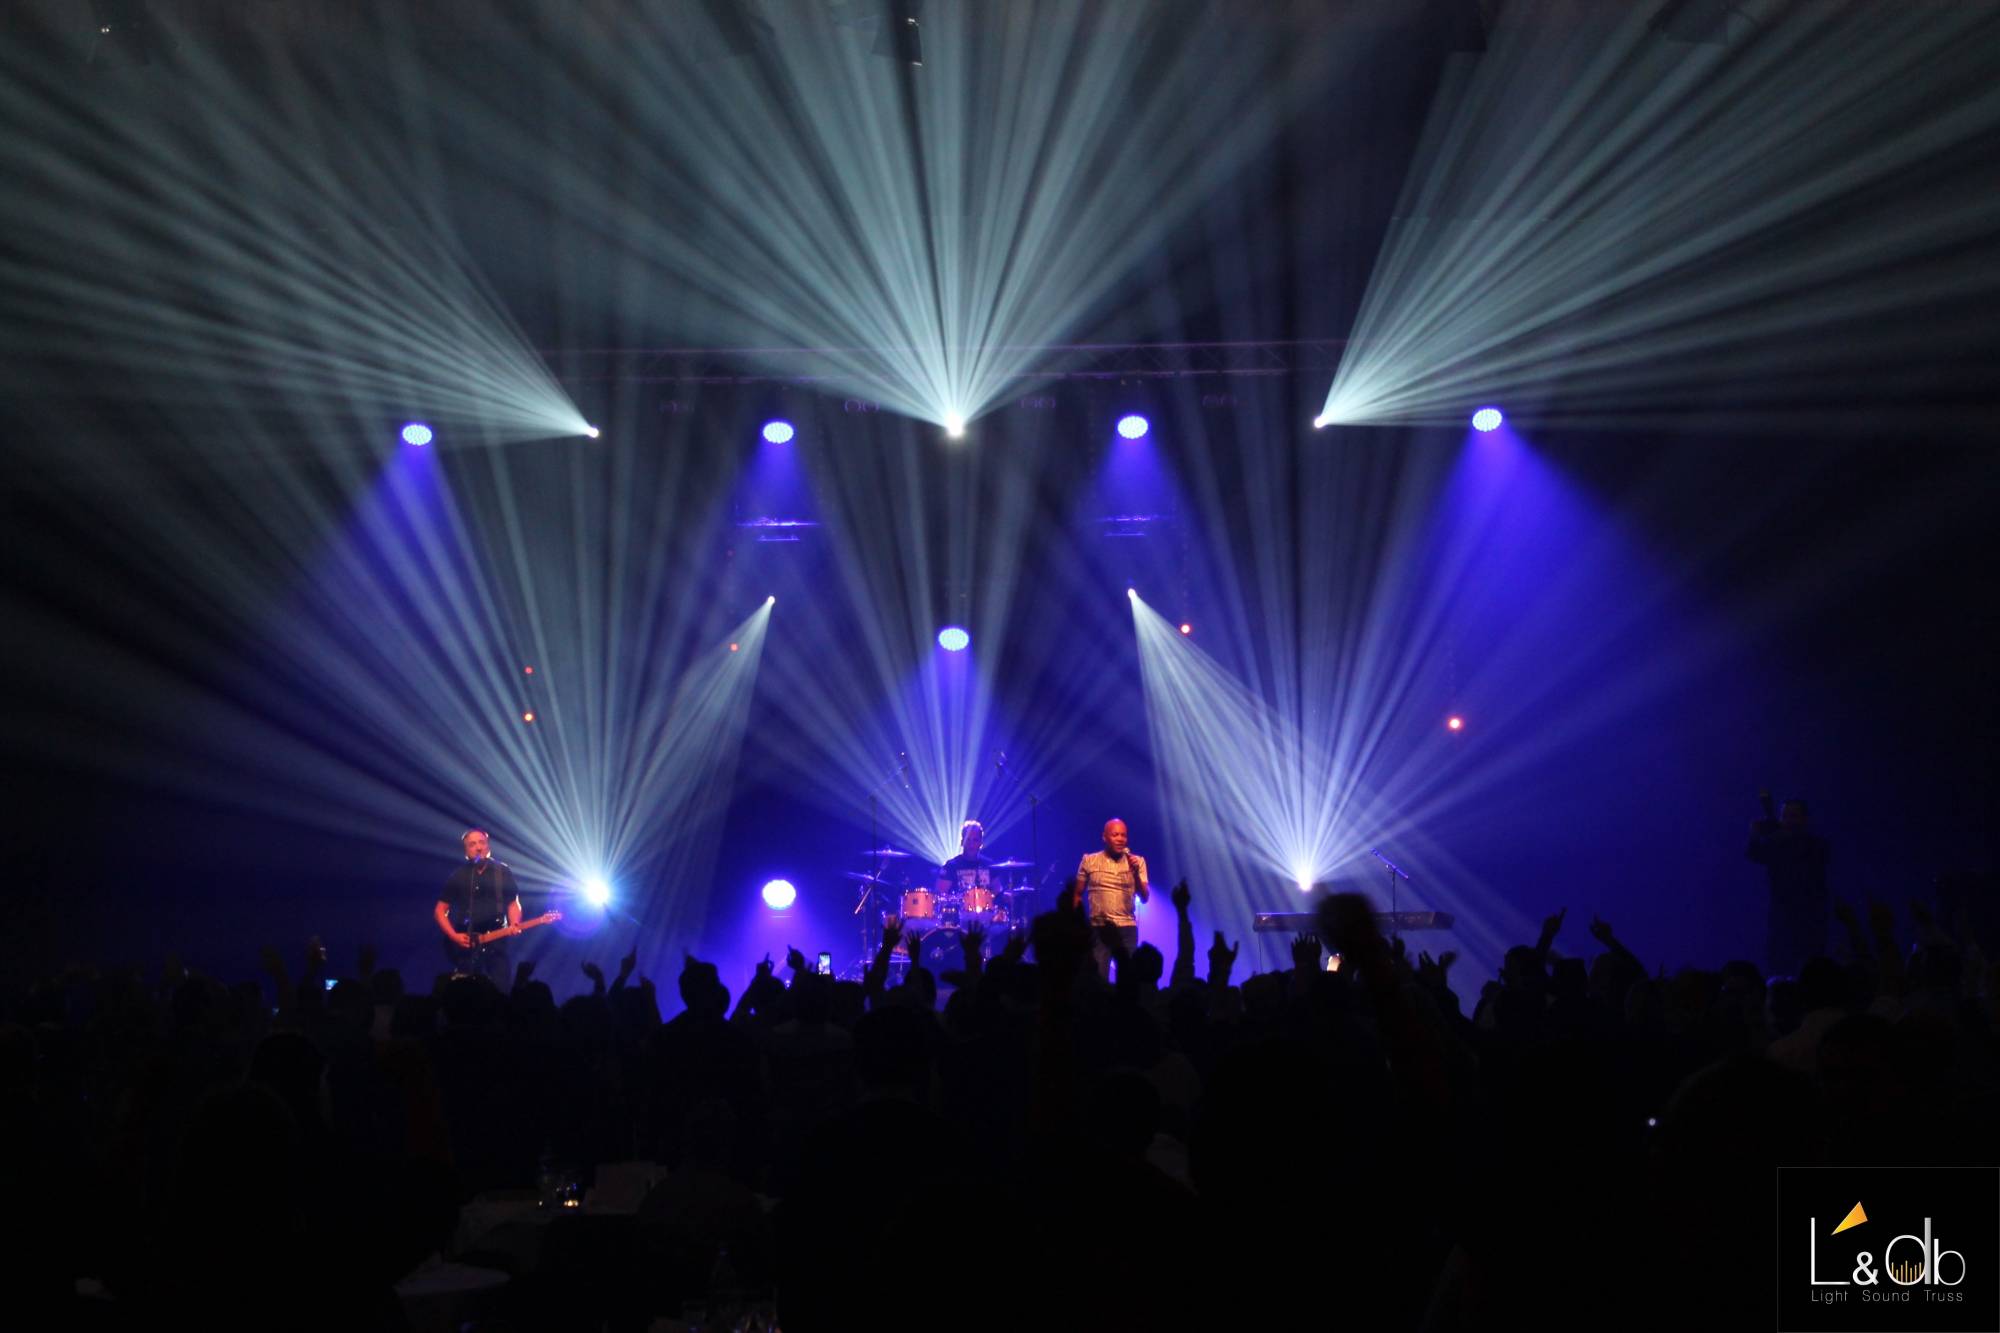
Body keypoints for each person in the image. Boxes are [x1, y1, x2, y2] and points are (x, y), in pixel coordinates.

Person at [1746, 796, 1829, 977]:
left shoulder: (1816, 845)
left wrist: (1775, 836)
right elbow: (1753, 854)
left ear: (1804, 819)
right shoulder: (1777, 843)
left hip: (1810, 917)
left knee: (1810, 966)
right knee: (1779, 964)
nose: (1789, 821)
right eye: (1785, 816)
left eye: (1794, 816)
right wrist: (1755, 833)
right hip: (1781, 916)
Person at [435, 828, 521, 981]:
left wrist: (514, 923)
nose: (478, 847)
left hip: (496, 938)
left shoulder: (502, 871)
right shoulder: (459, 875)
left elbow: (513, 903)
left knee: (500, 987)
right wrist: (454, 936)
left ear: (488, 846)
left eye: (482, 842)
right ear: (466, 851)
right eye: (472, 844)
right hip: (468, 943)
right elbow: (440, 911)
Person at [1076, 818, 1149, 980]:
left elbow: (1145, 898)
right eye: (1115, 835)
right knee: (1099, 978)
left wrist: (1135, 872)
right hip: (1099, 927)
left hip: (1127, 928)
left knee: (1129, 979)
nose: (1120, 839)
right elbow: (1076, 894)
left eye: (1123, 835)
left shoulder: (1138, 862)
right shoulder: (1089, 860)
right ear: (1104, 837)